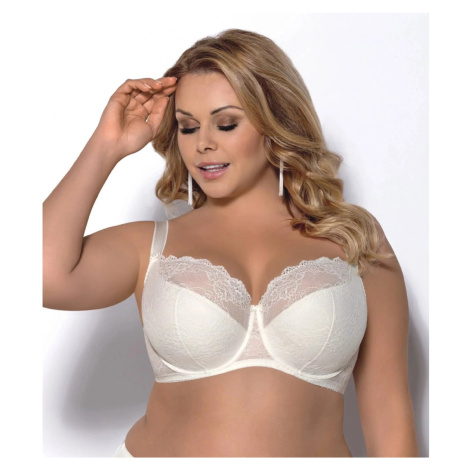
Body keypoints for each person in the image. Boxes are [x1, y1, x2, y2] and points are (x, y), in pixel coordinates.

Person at [42, 28, 419, 457]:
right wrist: (106, 145)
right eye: (188, 127)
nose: (203, 144)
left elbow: (389, 414)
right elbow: (41, 276)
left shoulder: (354, 239)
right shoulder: (151, 247)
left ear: (274, 123)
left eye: (226, 124)